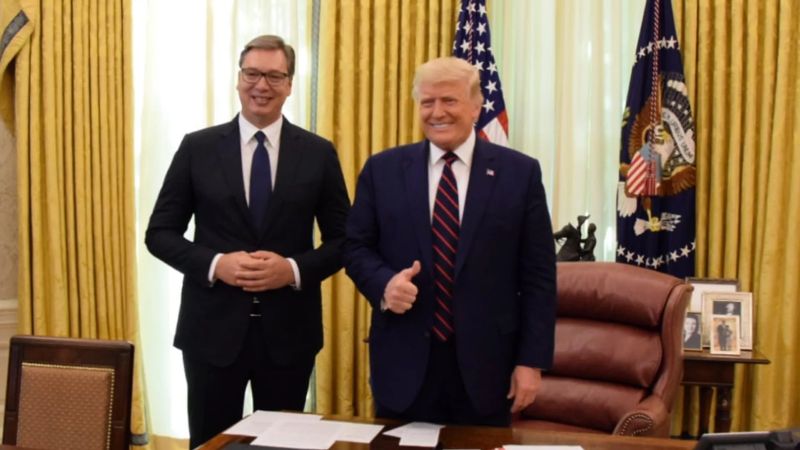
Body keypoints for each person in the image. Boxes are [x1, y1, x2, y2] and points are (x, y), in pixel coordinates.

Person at [145, 35, 350, 448]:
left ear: (289, 85)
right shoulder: (197, 148)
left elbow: (345, 240)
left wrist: (292, 270)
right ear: (238, 79)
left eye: (274, 76)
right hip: (210, 333)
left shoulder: (318, 153)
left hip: (289, 334)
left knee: (283, 446)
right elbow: (160, 233)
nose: (262, 85)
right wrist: (215, 264)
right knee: (210, 443)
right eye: (253, 74)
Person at [344, 57, 557, 426]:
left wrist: (531, 361)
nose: (437, 112)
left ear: (476, 106)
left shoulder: (519, 173)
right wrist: (385, 284)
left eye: (449, 100)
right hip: (403, 365)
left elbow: (539, 275)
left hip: (488, 368)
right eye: (427, 102)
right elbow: (354, 247)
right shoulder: (383, 170)